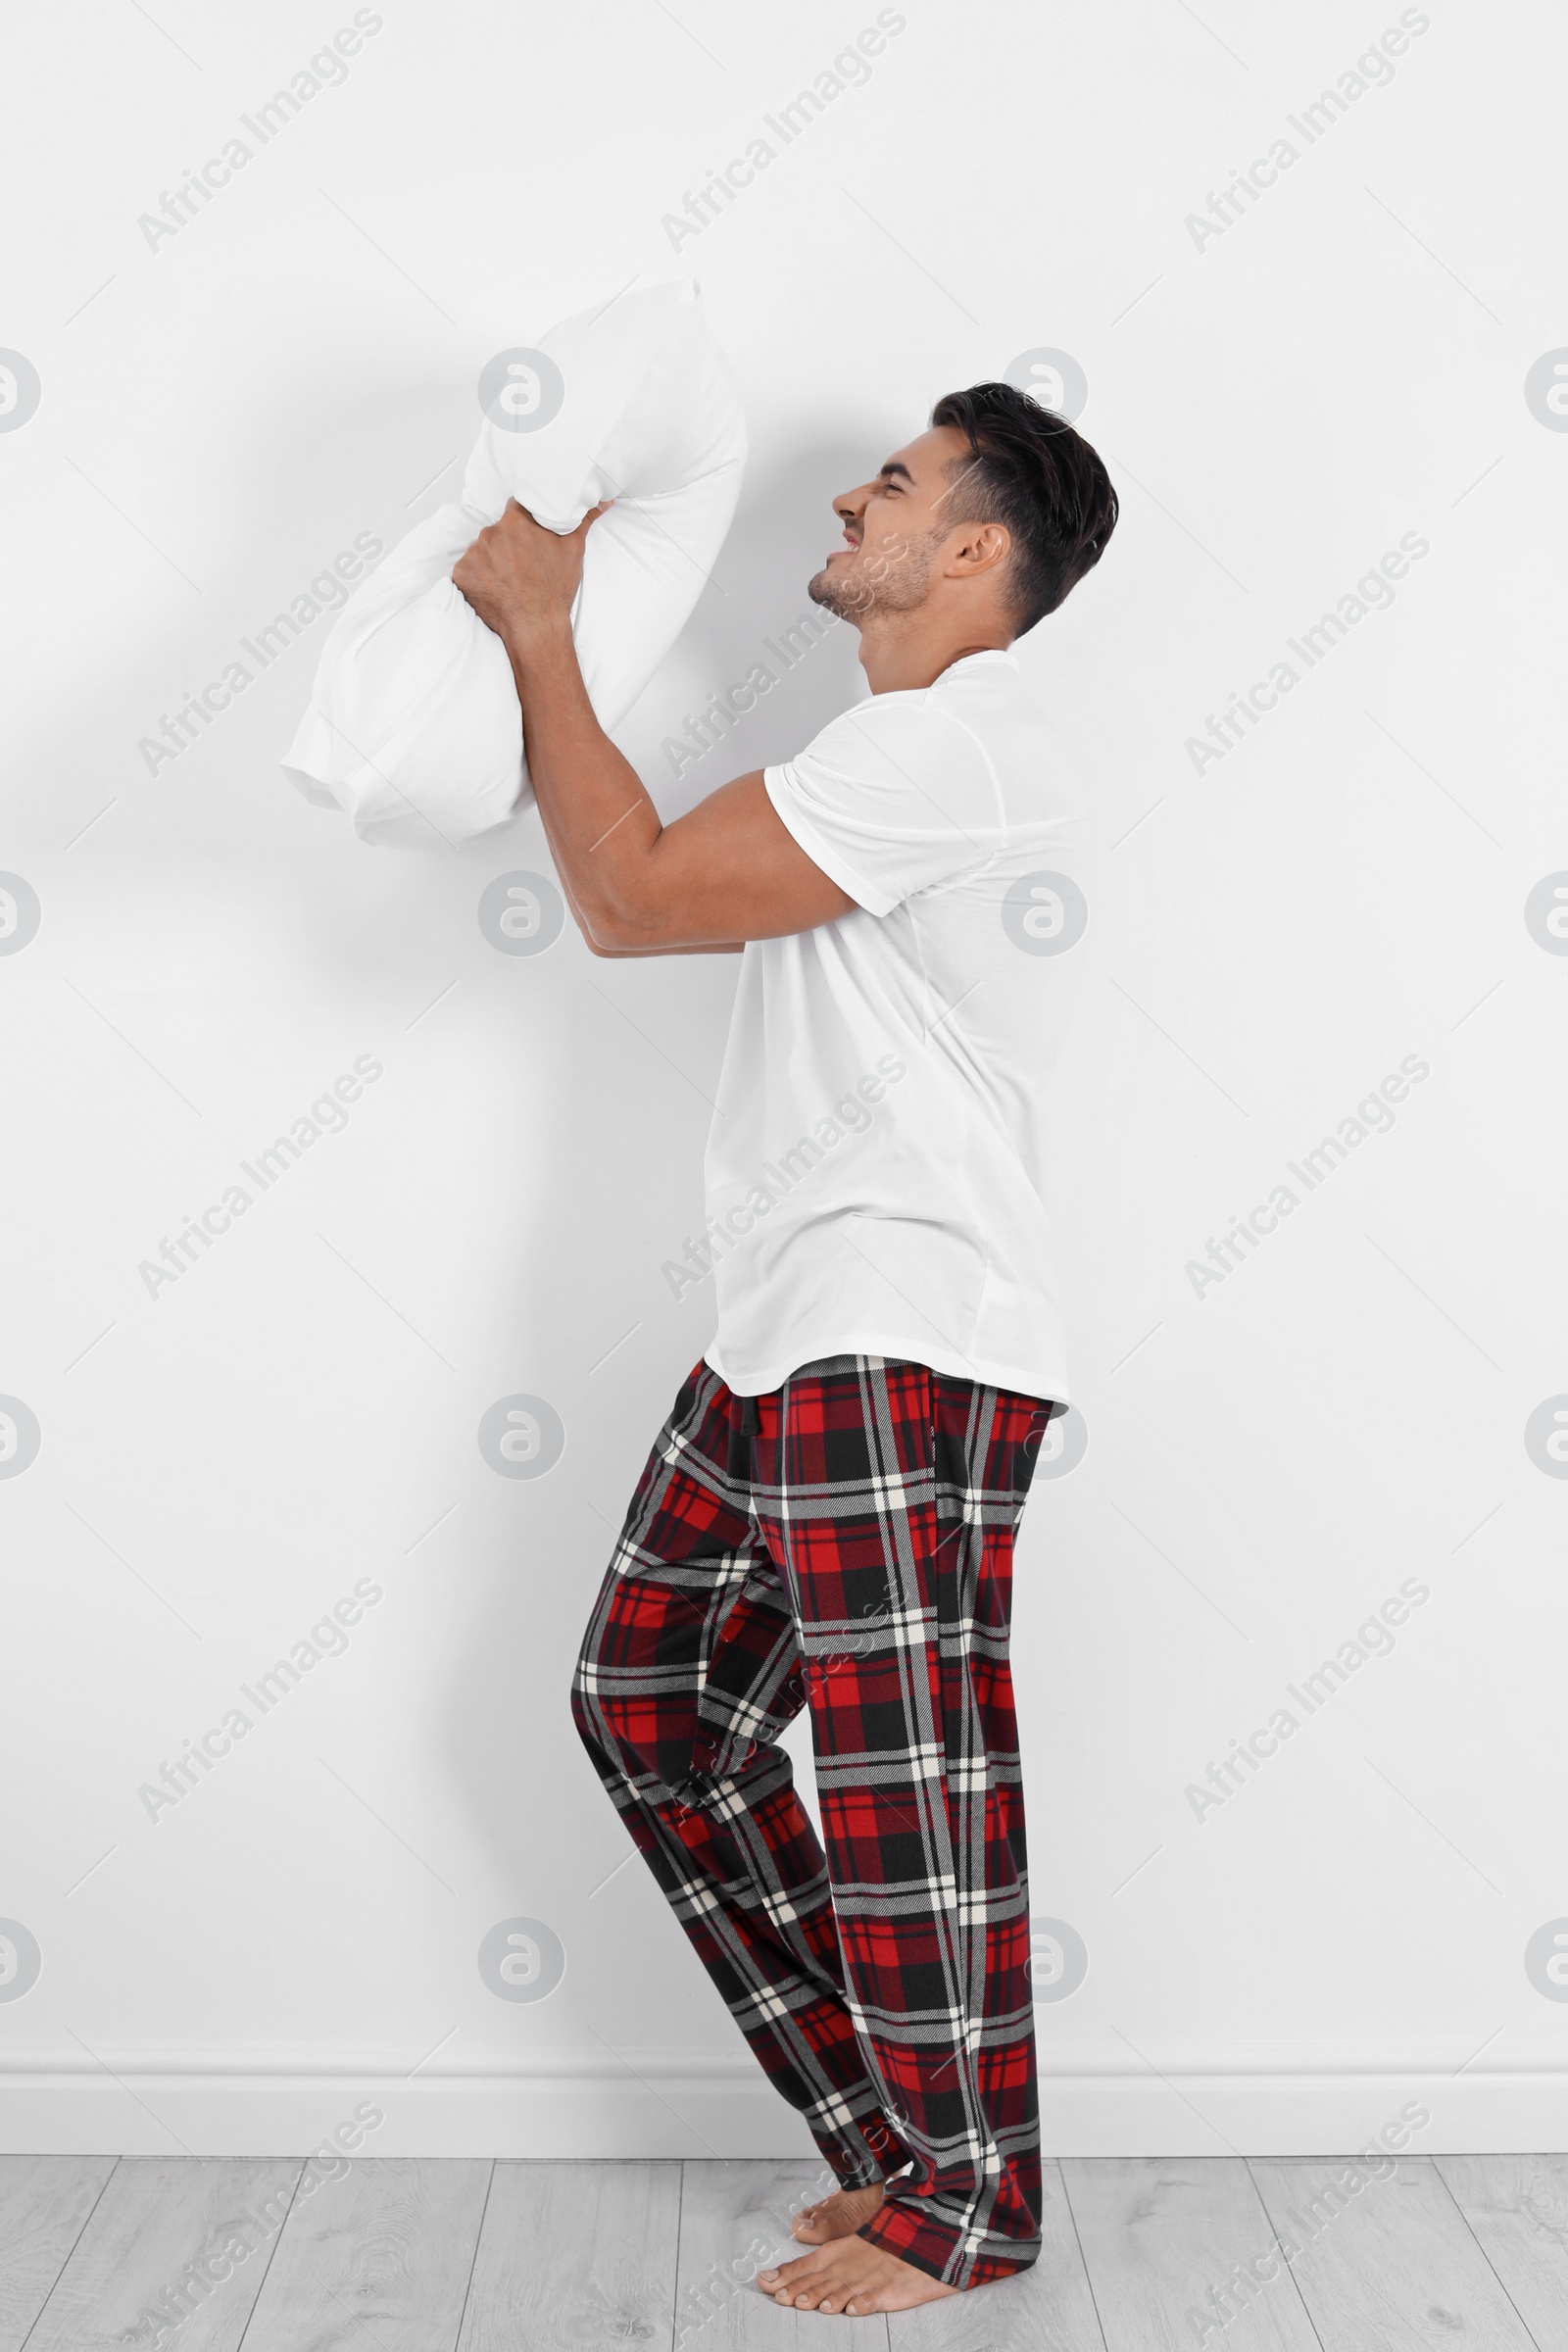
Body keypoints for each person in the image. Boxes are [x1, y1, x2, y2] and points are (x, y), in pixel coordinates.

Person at [454, 382, 1117, 2319]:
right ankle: (894, 2147)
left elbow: (631, 897)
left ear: (976, 553)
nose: (851, 491)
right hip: (798, 1314)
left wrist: (537, 632)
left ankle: (970, 2203)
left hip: (901, 1308)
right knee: (645, 1698)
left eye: (896, 482)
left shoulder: (957, 748)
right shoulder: (897, 747)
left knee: (904, 1765)